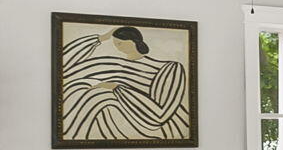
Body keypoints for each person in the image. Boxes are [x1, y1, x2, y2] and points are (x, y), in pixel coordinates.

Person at [59, 25, 190, 142]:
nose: (117, 47)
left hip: (147, 126)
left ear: (134, 42)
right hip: (103, 128)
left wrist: (116, 88)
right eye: (116, 43)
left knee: (101, 95)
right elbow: (62, 67)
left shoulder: (167, 68)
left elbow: (159, 116)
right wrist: (101, 38)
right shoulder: (110, 63)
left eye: (120, 43)